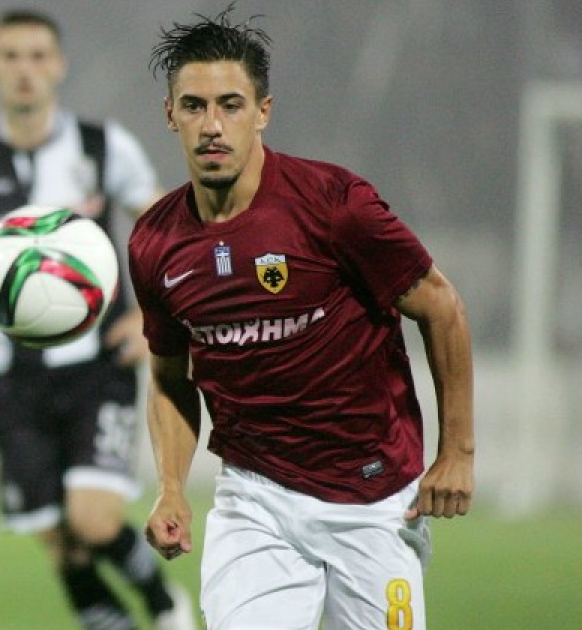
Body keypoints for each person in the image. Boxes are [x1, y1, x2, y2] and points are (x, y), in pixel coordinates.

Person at [130, 7, 475, 630]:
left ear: (263, 111)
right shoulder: (155, 243)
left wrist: (458, 452)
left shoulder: (335, 207)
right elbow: (170, 377)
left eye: (231, 105)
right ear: (170, 115)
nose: (212, 126)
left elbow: (441, 306)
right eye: (194, 106)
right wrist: (171, 487)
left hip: (372, 497)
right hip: (254, 497)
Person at [0, 10, 196, 630]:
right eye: (11, 56)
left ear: (59, 66)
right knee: (57, 539)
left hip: (99, 364)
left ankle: (163, 605)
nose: (25, 70)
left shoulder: (102, 147)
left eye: (38, 56)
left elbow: (169, 232)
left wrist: (152, 316)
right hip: (13, 375)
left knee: (93, 520)